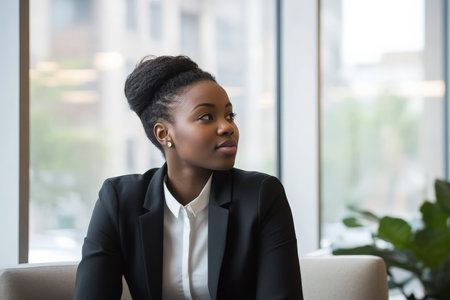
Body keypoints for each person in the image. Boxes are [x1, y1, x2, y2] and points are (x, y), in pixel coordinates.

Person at [74, 55, 303, 300]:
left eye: (229, 116)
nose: (227, 127)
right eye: (206, 117)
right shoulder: (119, 200)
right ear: (164, 134)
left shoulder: (261, 195)